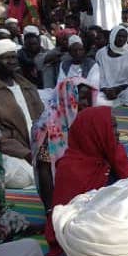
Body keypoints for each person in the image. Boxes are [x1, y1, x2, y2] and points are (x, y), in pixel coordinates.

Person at [45, 106, 128, 256]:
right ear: (95, 131)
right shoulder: (71, 169)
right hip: (84, 242)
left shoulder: (114, 154)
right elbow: (68, 223)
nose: (118, 132)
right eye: (111, 127)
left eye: (116, 127)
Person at [31, 77, 97, 210]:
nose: (87, 103)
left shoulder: (88, 120)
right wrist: (51, 209)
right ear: (66, 97)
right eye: (81, 98)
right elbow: (45, 170)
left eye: (89, 98)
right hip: (60, 194)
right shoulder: (48, 127)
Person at [0, 39, 44, 188]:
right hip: (10, 151)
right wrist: (25, 153)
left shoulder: (27, 86)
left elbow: (43, 118)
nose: (12, 61)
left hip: (36, 146)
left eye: (14, 57)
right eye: (6, 58)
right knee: (22, 177)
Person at [96, 25, 128, 107]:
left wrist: (118, 89)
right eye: (119, 36)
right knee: (97, 101)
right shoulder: (101, 53)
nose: (121, 39)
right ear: (113, 36)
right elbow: (99, 74)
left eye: (124, 37)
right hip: (106, 88)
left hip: (125, 88)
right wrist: (106, 89)